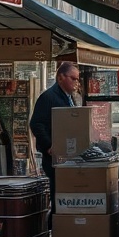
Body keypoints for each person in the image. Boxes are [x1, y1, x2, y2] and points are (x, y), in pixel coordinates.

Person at [29, 62, 81, 199]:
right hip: (54, 157)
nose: (76, 82)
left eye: (77, 79)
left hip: (69, 154)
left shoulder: (70, 97)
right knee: (59, 195)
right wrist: (49, 145)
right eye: (73, 78)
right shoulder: (48, 97)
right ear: (60, 78)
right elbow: (36, 123)